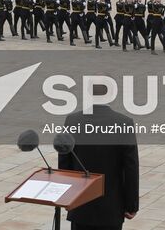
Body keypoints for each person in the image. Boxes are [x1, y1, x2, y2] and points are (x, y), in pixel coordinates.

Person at [59, 83, 139, 230]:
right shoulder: (124, 123)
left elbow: (65, 162)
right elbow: (130, 167)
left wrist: (66, 197)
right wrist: (132, 204)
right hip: (111, 207)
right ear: (112, 94)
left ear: (89, 93)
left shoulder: (72, 120)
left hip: (80, 205)